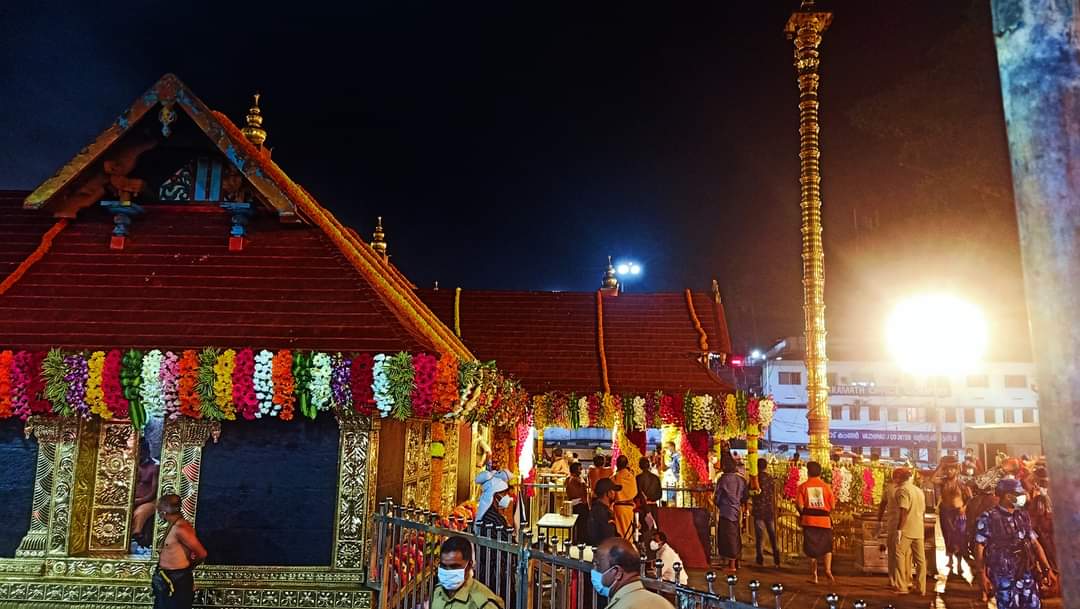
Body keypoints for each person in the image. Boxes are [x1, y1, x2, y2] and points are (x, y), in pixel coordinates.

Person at [975, 478, 1057, 609]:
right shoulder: (988, 518)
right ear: (1008, 496)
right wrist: (982, 575)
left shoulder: (1022, 515)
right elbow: (979, 547)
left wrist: (1047, 569)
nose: (1023, 497)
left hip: (1025, 571)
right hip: (1003, 574)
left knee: (1033, 605)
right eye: (1019, 494)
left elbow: (1034, 543)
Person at [152, 494, 207, 609]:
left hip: (178, 580)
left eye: (159, 509)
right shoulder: (172, 525)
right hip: (165, 577)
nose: (158, 513)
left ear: (164, 511)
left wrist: (186, 569)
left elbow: (202, 553)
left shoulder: (181, 528)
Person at [591, 537, 675, 609]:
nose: (594, 571)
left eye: (598, 565)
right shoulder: (663, 604)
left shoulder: (623, 606)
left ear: (617, 572)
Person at [431, 535, 504, 609]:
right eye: (443, 566)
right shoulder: (438, 591)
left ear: (469, 565)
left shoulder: (483, 604)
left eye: (454, 567)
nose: (448, 571)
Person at [795, 461, 834, 584]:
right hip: (825, 521)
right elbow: (832, 505)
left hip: (809, 521)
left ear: (808, 472)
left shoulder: (803, 487)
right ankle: (828, 570)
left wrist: (805, 513)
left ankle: (814, 576)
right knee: (827, 547)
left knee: (811, 548)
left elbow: (799, 505)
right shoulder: (826, 487)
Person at [712, 455, 748, 573]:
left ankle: (731, 565)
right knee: (735, 536)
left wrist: (717, 503)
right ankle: (734, 562)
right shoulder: (741, 479)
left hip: (726, 511)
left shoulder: (723, 479)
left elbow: (717, 497)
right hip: (737, 510)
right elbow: (745, 496)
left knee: (729, 537)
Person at [895, 467, 927, 596]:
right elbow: (923, 511)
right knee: (920, 560)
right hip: (919, 528)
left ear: (901, 478)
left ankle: (902, 586)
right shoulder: (919, 491)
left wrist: (899, 530)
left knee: (899, 554)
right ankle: (921, 588)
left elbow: (904, 511)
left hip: (907, 528)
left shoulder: (904, 490)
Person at [937, 463, 972, 576]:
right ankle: (950, 560)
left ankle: (959, 564)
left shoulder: (962, 483)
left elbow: (970, 498)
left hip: (958, 513)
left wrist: (964, 507)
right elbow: (932, 479)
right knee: (948, 537)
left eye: (951, 469)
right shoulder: (943, 482)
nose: (949, 472)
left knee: (960, 538)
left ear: (956, 471)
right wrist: (940, 466)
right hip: (946, 513)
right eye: (947, 469)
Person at [878, 468, 904, 592]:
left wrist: (879, 520)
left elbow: (882, 505)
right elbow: (882, 505)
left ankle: (894, 578)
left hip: (895, 524)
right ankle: (897, 578)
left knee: (895, 553)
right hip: (897, 524)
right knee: (898, 553)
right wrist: (879, 520)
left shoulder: (891, 488)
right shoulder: (892, 488)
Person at [751, 457, 780, 567]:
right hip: (769, 510)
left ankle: (760, 559)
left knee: (760, 536)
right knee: (772, 535)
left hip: (759, 510)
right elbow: (774, 494)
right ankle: (777, 559)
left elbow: (751, 491)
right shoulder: (770, 479)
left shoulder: (755, 478)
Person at [611, 455, 638, 540]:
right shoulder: (632, 477)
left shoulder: (615, 477)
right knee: (628, 533)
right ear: (627, 464)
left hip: (618, 508)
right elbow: (635, 492)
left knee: (620, 532)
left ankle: (623, 548)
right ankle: (628, 547)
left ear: (617, 465)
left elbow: (611, 494)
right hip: (630, 508)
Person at [635, 456, 662, 541]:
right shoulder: (656, 478)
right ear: (649, 465)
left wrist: (646, 499)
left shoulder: (638, 478)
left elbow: (637, 493)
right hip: (653, 507)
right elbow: (659, 494)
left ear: (639, 466)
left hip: (643, 507)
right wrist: (651, 498)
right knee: (653, 529)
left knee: (643, 530)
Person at [587, 478, 619, 545]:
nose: (615, 493)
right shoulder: (602, 512)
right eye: (613, 490)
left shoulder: (596, 508)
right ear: (608, 493)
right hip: (603, 551)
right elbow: (608, 537)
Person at [566, 461, 590, 541]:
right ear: (576, 470)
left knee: (581, 524)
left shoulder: (574, 479)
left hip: (579, 503)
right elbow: (576, 493)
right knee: (580, 524)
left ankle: (579, 539)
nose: (582, 470)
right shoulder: (573, 480)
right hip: (578, 504)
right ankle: (579, 539)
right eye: (580, 469)